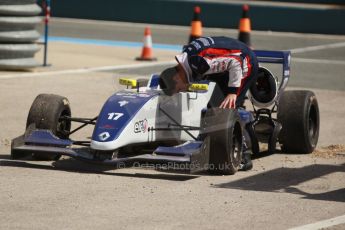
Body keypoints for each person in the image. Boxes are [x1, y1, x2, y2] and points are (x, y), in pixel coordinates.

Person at [159, 36, 258, 171]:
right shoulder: (190, 58)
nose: (181, 90)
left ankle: (244, 156)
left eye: (178, 89)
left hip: (245, 62)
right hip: (232, 56)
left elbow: (235, 62)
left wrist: (232, 92)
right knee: (215, 100)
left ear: (176, 77)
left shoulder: (199, 64)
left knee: (228, 109)